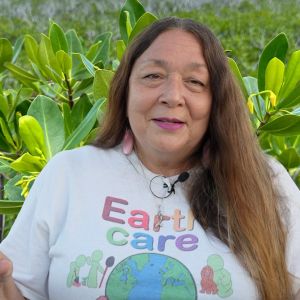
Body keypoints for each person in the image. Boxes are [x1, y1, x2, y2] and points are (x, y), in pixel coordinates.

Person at [0, 17, 299, 300]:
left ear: (217, 100)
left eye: (195, 82)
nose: (172, 95)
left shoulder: (266, 182)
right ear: (124, 91)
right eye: (153, 76)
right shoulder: (68, 174)